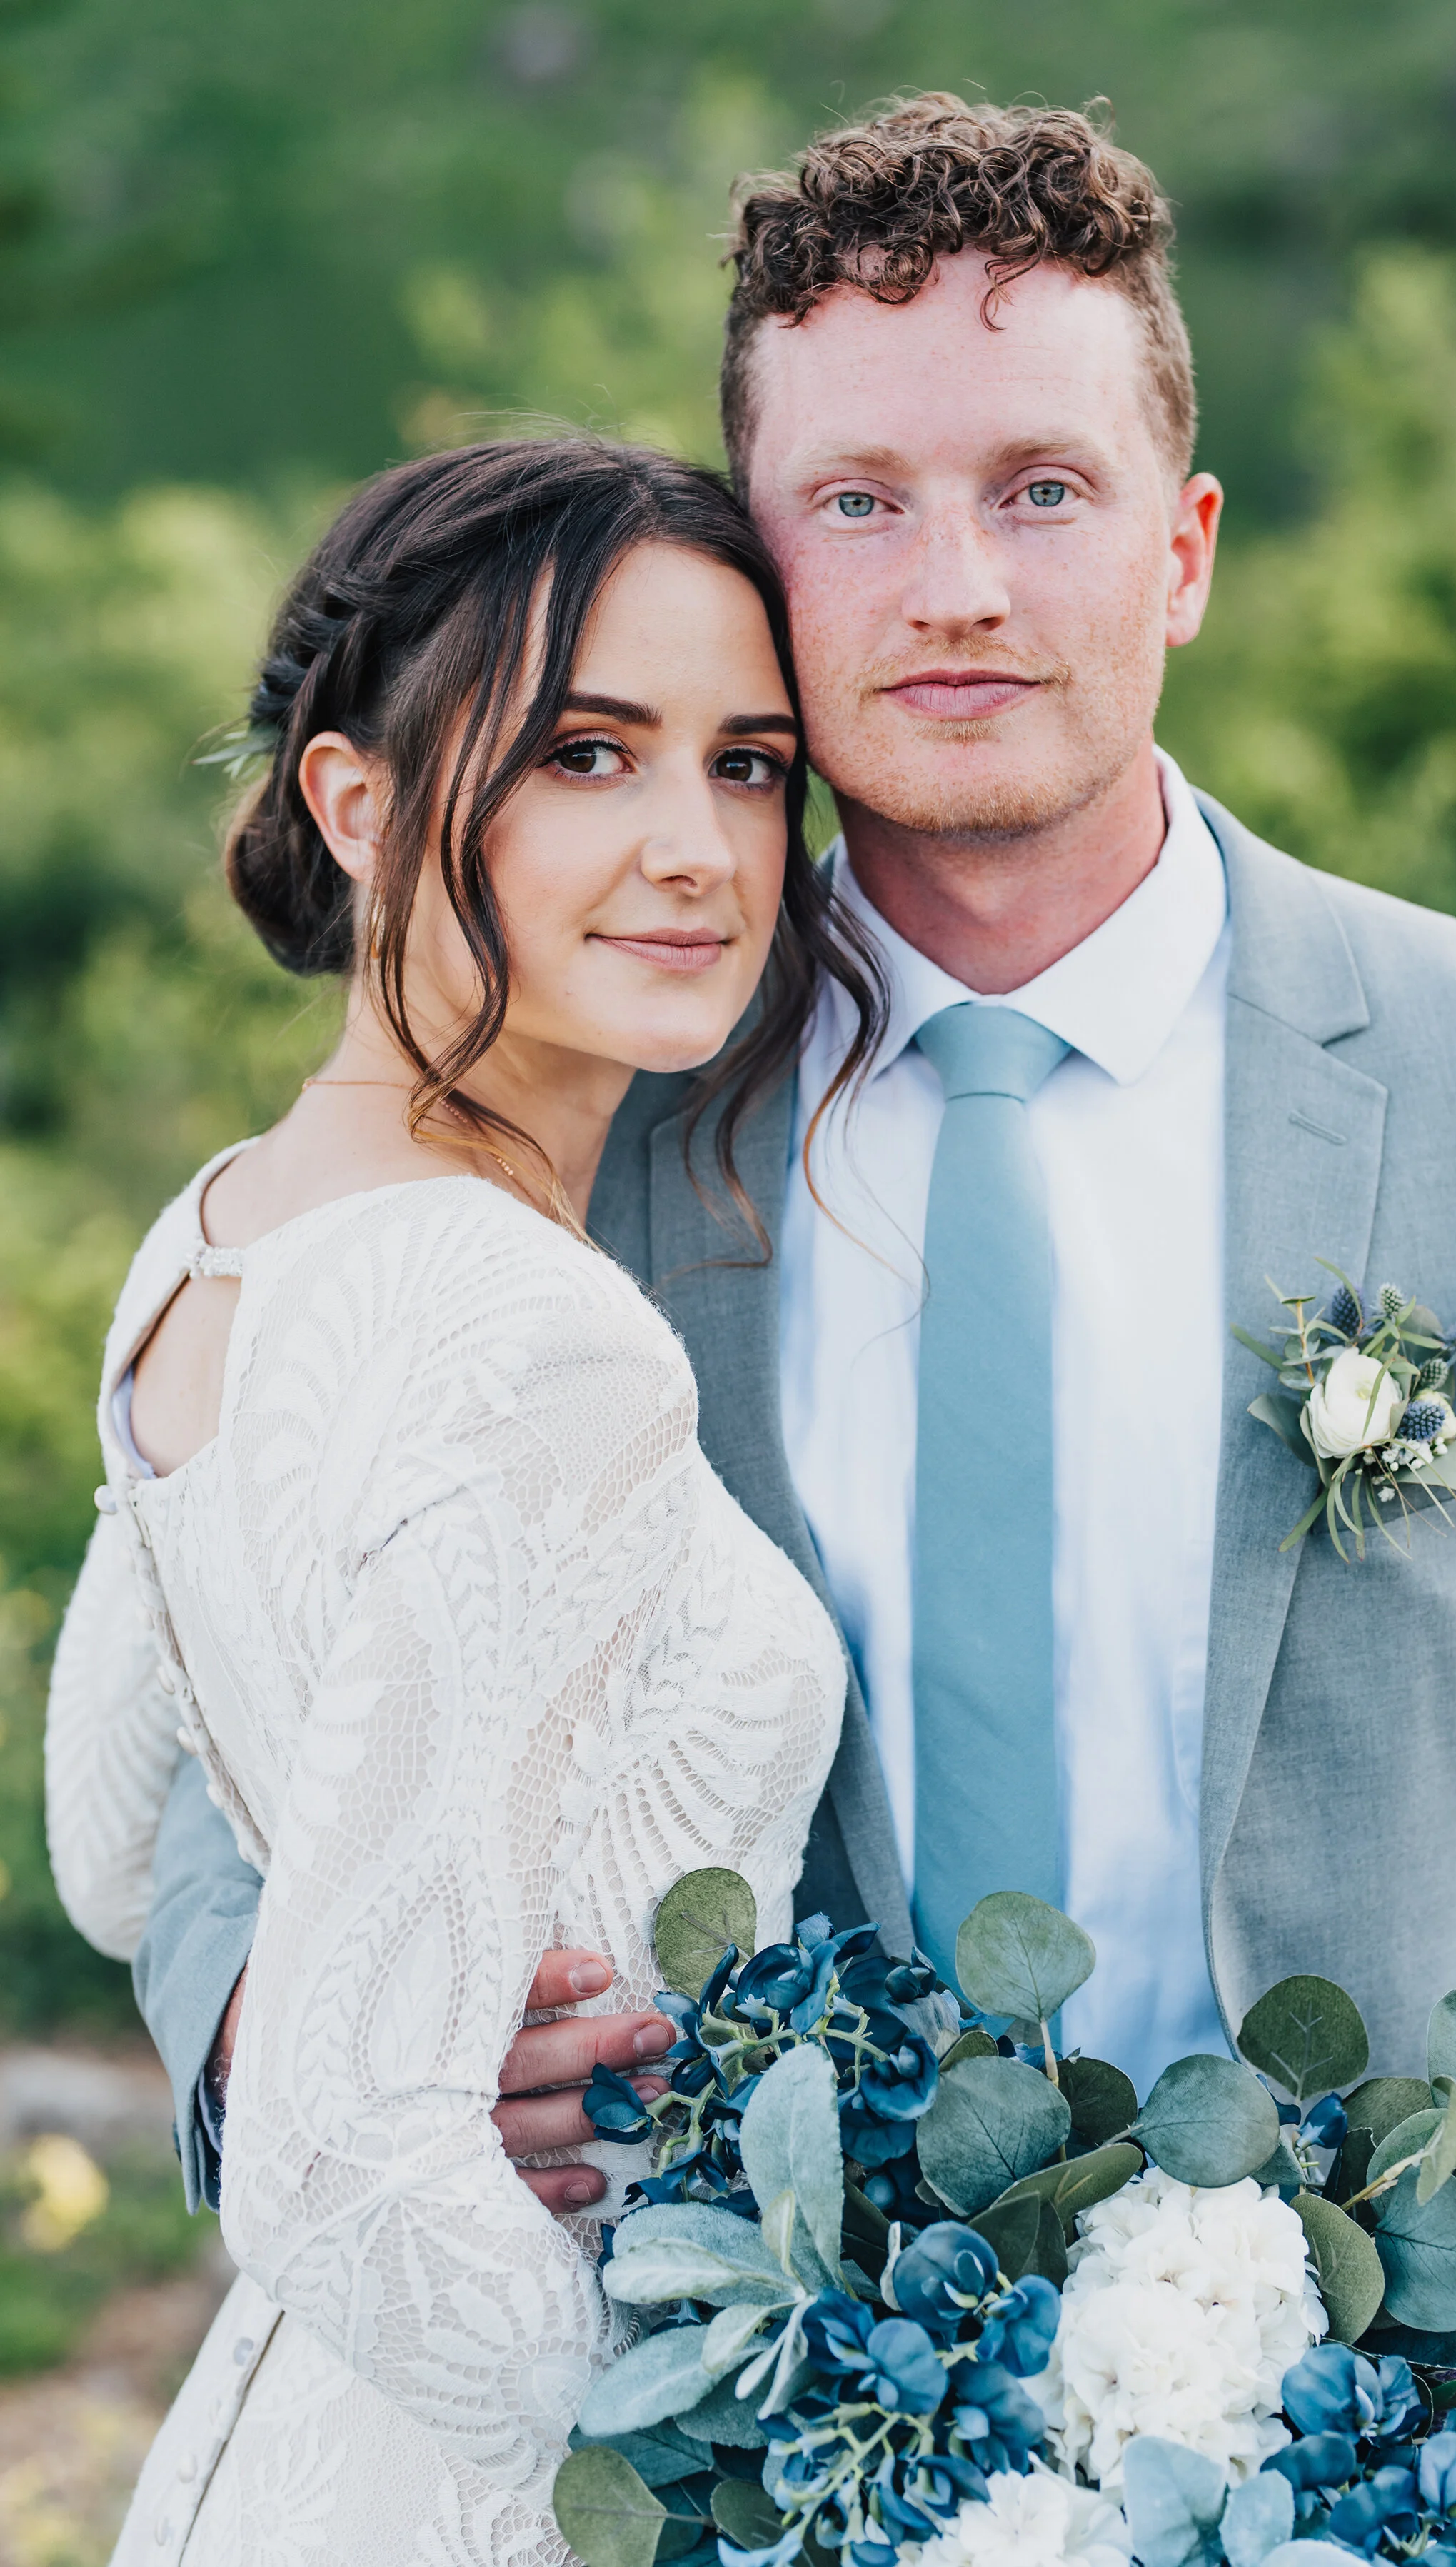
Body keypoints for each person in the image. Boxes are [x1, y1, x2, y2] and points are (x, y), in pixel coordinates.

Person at [68, 89, 1456, 2390]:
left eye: (1043, 490)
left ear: (1189, 550)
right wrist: (289, 2035)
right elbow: (238, 1734)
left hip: (1421, 2437)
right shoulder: (576, 1119)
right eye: (858, 503)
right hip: (749, 2429)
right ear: (762, 560)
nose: (955, 585)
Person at [44, 437, 879, 2562]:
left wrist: (350, 1989)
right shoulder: (547, 1344)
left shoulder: (206, 1244)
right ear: (358, 800)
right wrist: (710, 2473)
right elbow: (339, 2158)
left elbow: (111, 1847)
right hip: (512, 2469)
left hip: (282, 2442)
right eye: (589, 755)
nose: (698, 847)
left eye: (752, 764)